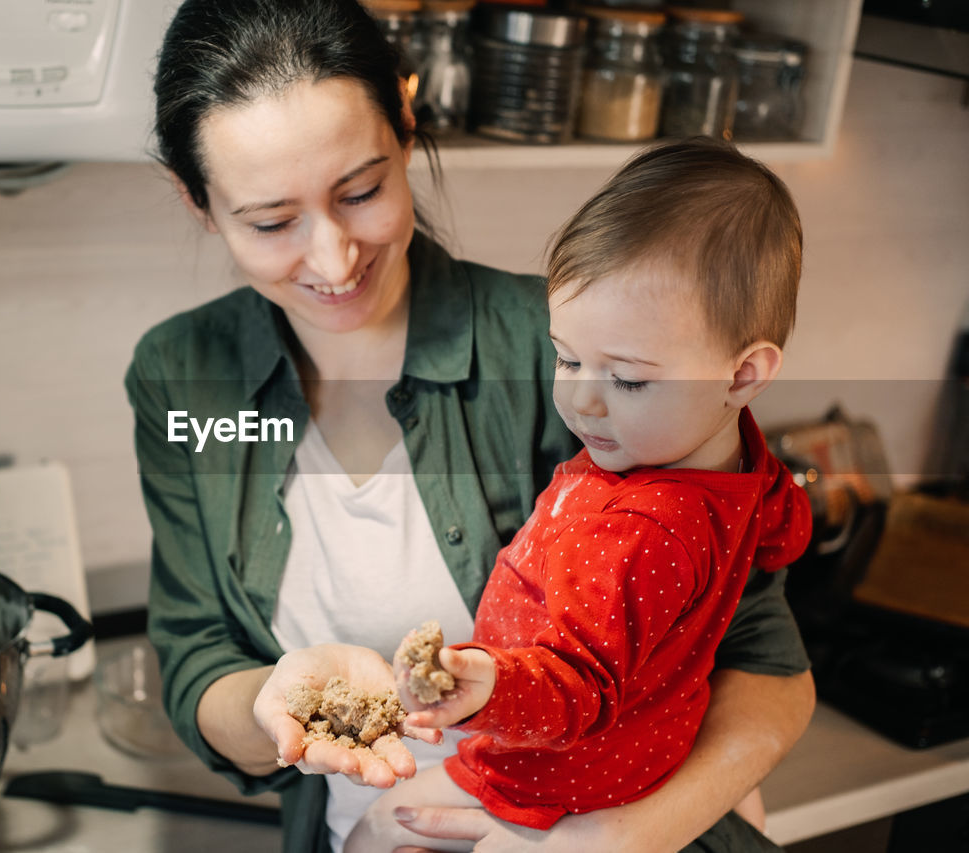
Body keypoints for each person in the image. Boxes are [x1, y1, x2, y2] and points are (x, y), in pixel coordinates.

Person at [125, 1, 815, 851]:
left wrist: (616, 837)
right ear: (197, 200)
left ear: (408, 126)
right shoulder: (184, 378)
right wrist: (275, 699)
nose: (336, 258)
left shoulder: (574, 357)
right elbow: (198, 656)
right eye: (271, 222)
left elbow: (768, 663)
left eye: (363, 190)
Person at [345, 138, 812, 852]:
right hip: (644, 754)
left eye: (627, 377)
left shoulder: (640, 532)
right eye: (565, 356)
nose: (581, 401)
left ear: (744, 372)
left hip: (557, 777)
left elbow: (577, 686)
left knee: (371, 837)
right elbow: (783, 523)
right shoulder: (736, 455)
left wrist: (488, 685)